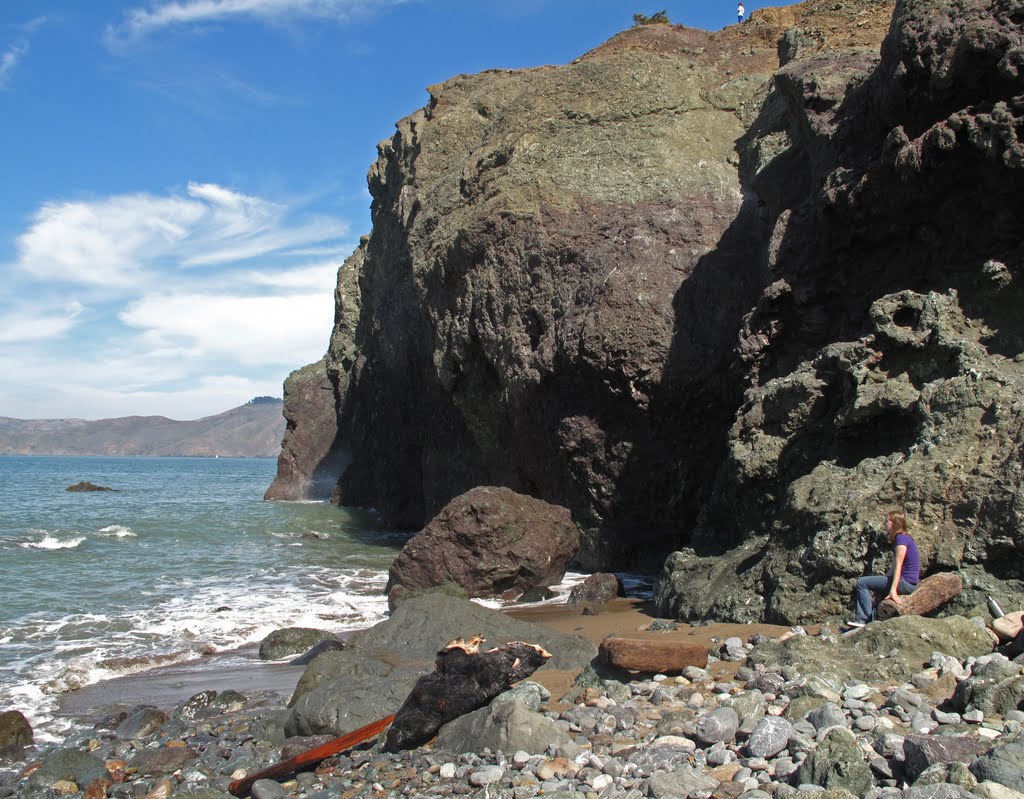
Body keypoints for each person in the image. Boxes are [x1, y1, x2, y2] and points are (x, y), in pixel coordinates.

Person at [849, 510, 920, 627]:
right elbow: (893, 566)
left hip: (905, 583)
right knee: (877, 593)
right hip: (906, 582)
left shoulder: (901, 539)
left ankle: (862, 621)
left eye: (887, 521)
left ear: (894, 523)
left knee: (862, 583)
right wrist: (880, 589)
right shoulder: (902, 538)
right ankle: (870, 620)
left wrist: (893, 591)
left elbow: (898, 566)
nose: (884, 524)